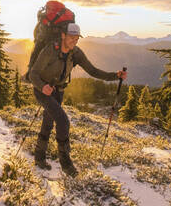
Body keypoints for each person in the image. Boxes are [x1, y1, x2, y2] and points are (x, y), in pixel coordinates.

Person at [29, 23, 127, 176]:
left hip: (58, 91)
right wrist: (43, 87)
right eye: (71, 37)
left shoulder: (76, 53)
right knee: (63, 121)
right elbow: (33, 74)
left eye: (77, 37)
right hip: (42, 90)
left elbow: (93, 70)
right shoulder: (49, 50)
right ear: (63, 35)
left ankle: (39, 157)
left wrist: (115, 76)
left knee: (48, 123)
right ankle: (66, 165)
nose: (74, 40)